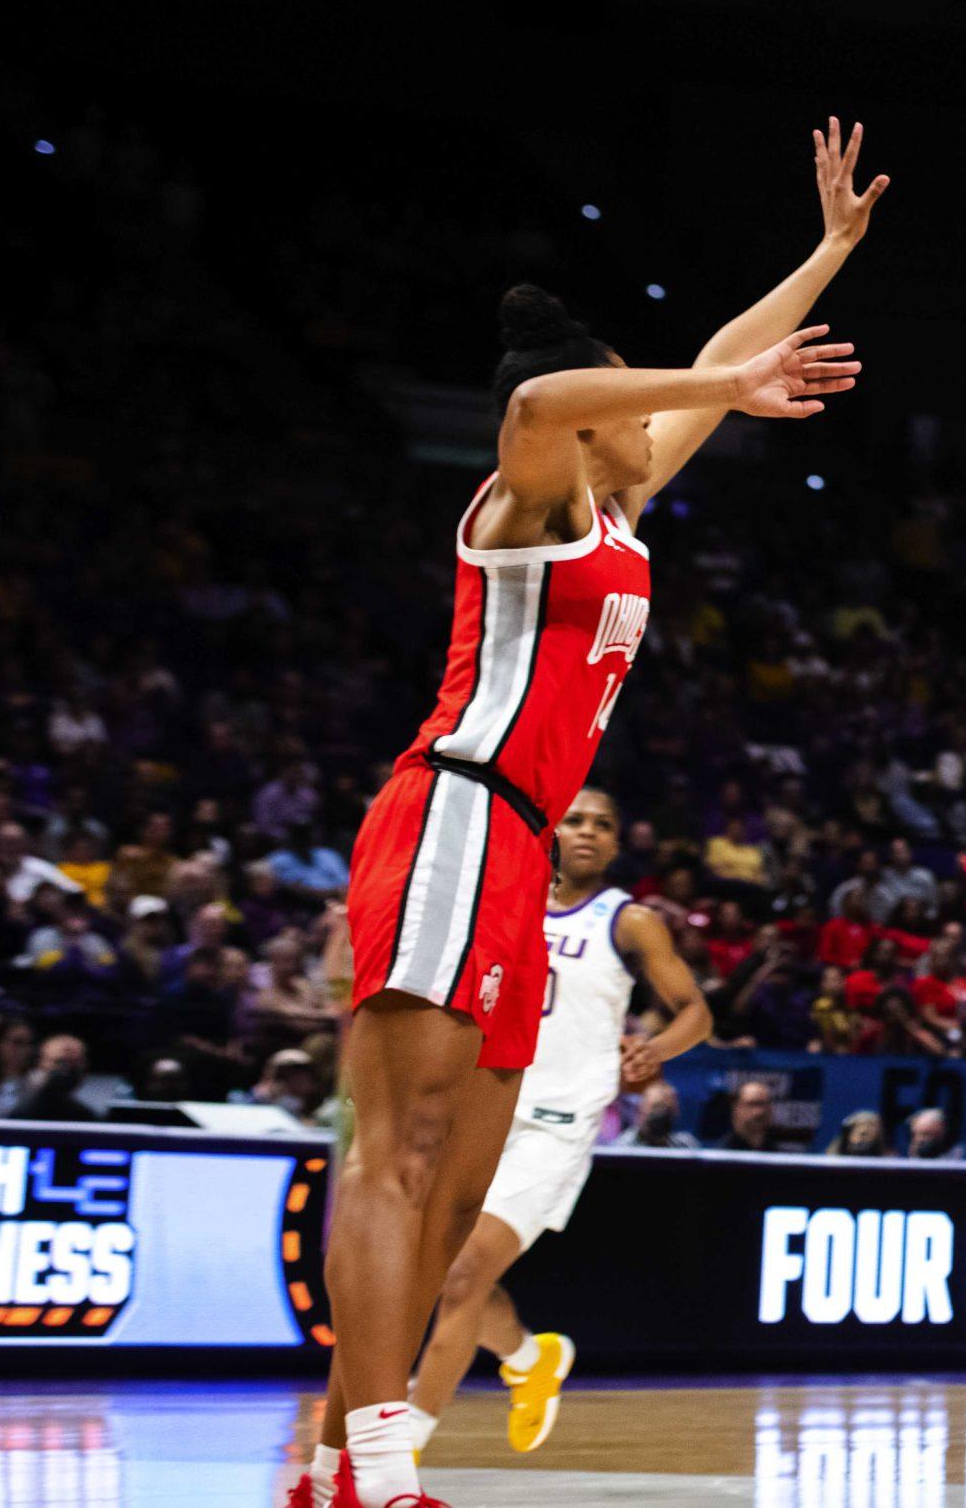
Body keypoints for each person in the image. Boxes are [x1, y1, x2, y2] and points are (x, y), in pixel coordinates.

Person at [291, 119, 881, 1508]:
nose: (653, 415)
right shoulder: (530, 491)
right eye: (638, 397)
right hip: (450, 811)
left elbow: (712, 359)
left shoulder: (618, 505)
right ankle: (373, 1466)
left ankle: (330, 1462)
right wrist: (725, 376)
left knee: (456, 1190)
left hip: (518, 850)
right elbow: (543, 398)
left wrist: (830, 251)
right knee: (400, 1155)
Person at [406, 791, 712, 1459]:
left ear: (615, 844)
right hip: (480, 1109)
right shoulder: (506, 903)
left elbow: (696, 1010)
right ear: (552, 829)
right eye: (576, 819)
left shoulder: (628, 920)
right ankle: (529, 1358)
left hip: (555, 1127)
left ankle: (398, 1449)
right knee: (440, 1275)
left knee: (460, 1275)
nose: (588, 832)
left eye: (603, 824)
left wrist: (654, 1049)